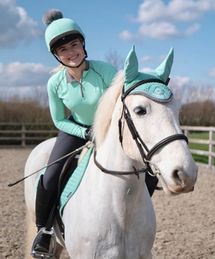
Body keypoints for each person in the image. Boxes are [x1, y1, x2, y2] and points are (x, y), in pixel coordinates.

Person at [31, 9, 117, 257]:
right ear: (56, 55)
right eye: (63, 50)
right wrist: (84, 131)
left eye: (74, 44)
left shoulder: (105, 71)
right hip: (76, 128)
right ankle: (44, 232)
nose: (71, 52)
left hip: (110, 128)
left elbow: (121, 101)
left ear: (83, 44)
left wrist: (104, 129)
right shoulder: (54, 84)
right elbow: (59, 119)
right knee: (49, 177)